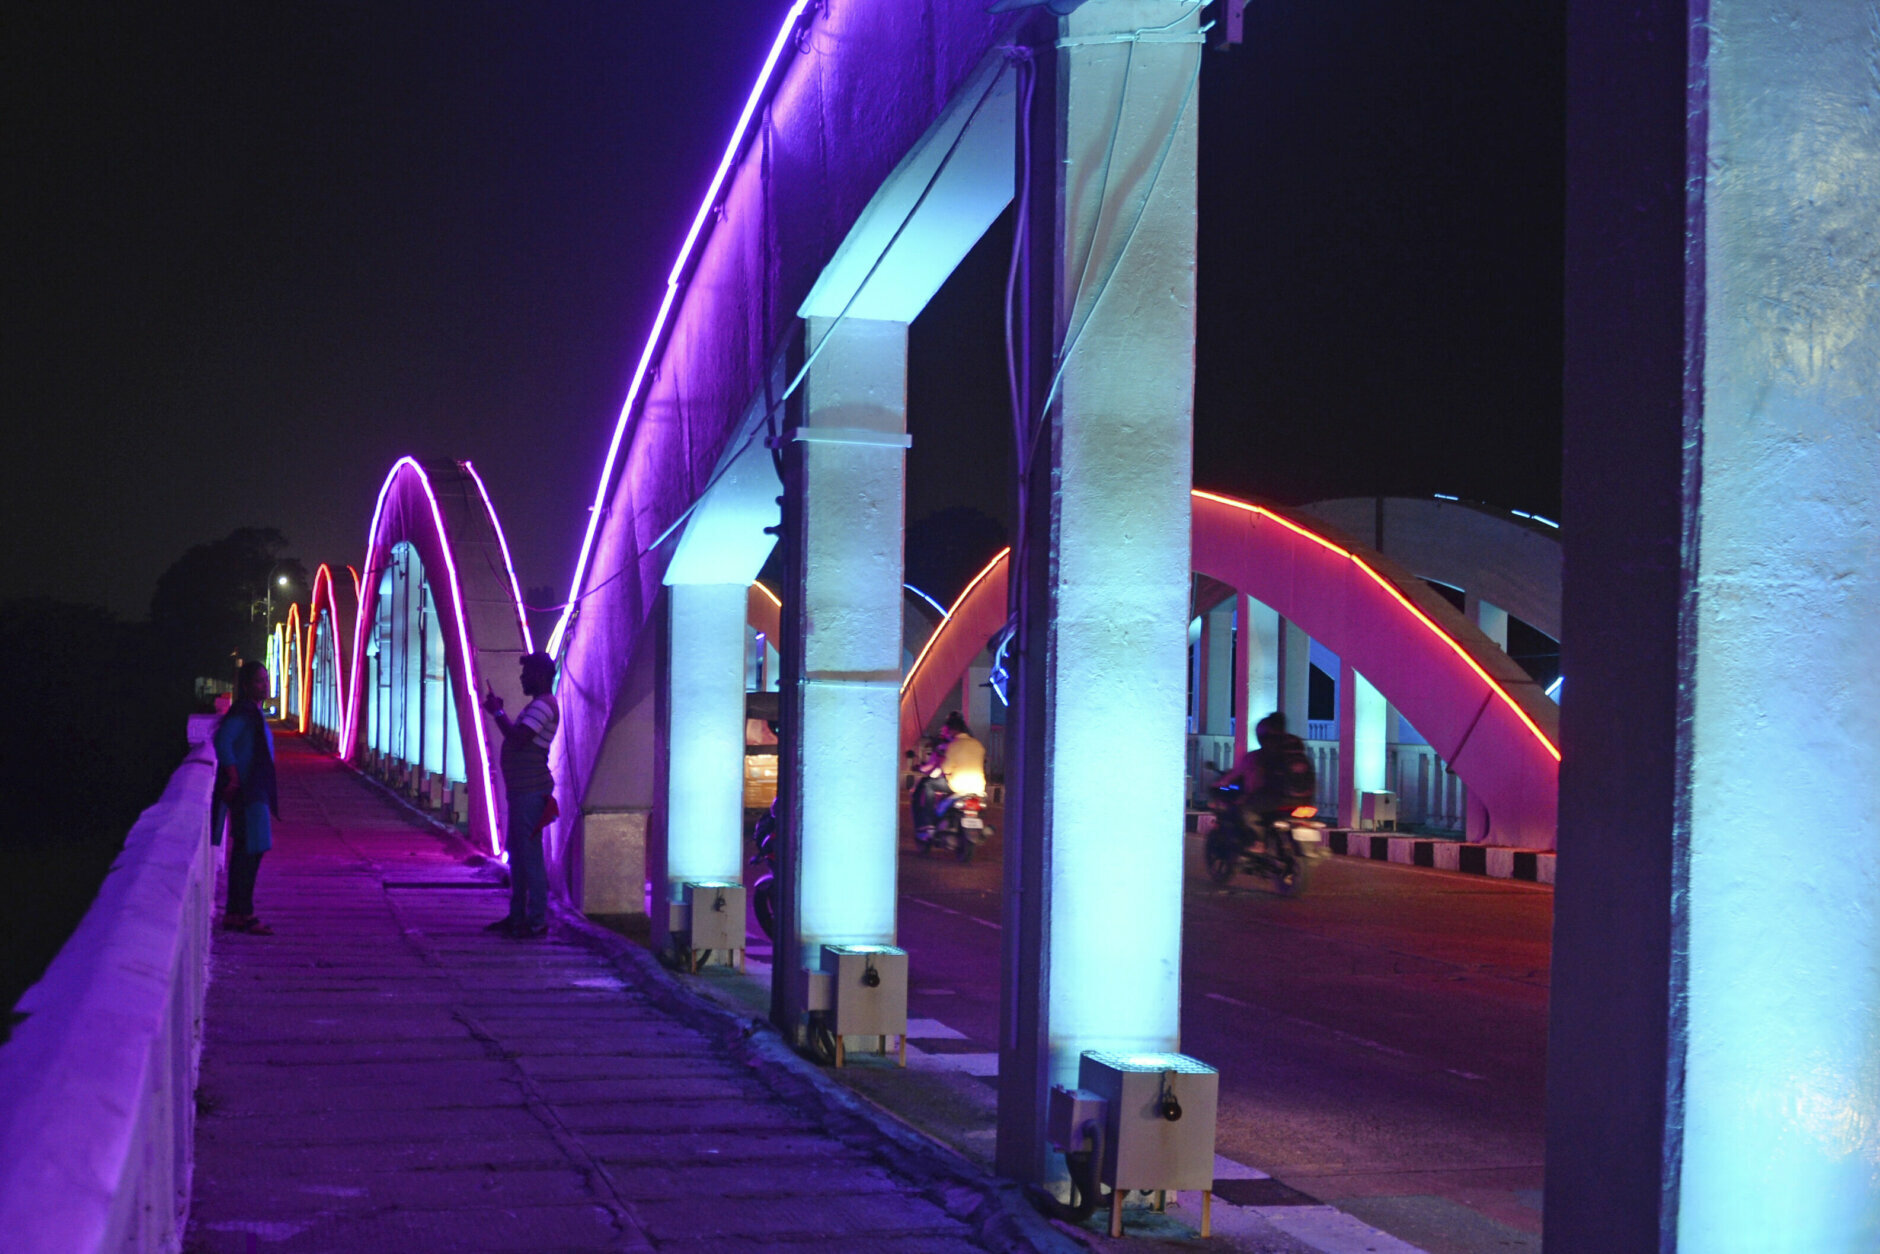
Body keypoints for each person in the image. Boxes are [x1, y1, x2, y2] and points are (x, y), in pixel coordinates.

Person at [482, 651, 561, 938]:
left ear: (540, 675)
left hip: (530, 791)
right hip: (522, 790)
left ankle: (536, 920)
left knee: (529, 856)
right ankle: (517, 916)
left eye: (526, 673)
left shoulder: (543, 706)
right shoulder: (537, 706)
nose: (521, 678)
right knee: (519, 855)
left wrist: (498, 713)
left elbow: (518, 739)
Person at [213, 660, 279, 935]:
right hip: (249, 790)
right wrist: (234, 775)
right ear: (246, 685)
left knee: (247, 849)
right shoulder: (243, 712)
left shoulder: (252, 711)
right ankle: (244, 913)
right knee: (251, 849)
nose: (264, 685)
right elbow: (222, 741)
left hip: (254, 788)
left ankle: (236, 913)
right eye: (258, 681)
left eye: (265, 680)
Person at [1217, 712, 1315, 849]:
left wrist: (1220, 783)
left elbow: (1237, 774)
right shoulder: (1295, 744)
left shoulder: (1259, 755)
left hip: (1276, 798)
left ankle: (1258, 842)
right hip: (1304, 799)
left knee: (1244, 809)